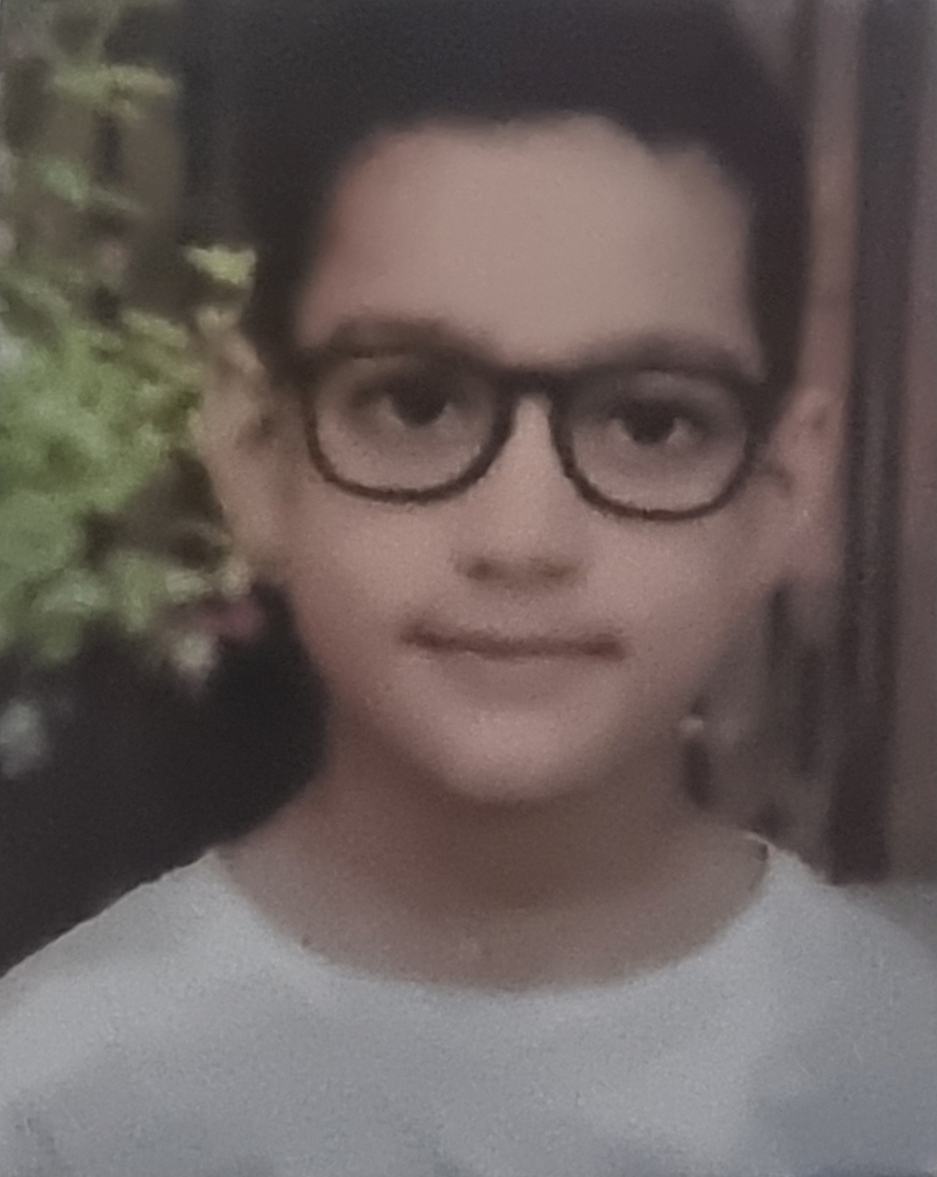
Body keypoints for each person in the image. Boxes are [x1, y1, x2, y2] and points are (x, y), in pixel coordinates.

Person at [1, 1, 934, 1173]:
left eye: (650, 422)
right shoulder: (56, 1104)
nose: (520, 538)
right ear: (255, 449)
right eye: (415, 402)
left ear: (782, 489)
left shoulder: (902, 1075)